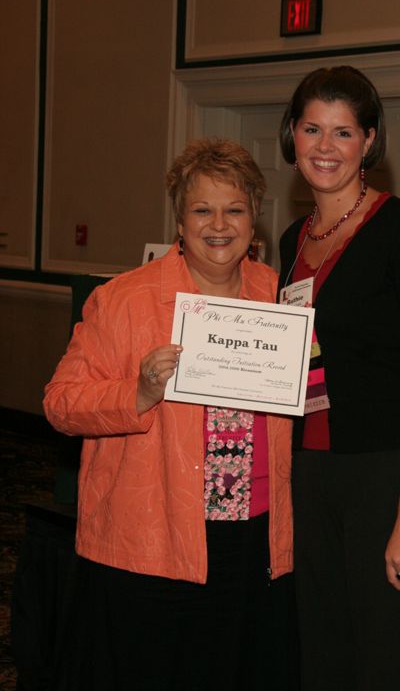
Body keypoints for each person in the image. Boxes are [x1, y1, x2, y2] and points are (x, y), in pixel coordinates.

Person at [44, 138, 297, 691]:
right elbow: (60, 403)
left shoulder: (280, 297)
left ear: (255, 217)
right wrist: (136, 392)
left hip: (253, 538)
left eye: (234, 210)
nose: (219, 225)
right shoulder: (124, 300)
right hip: (151, 539)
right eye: (202, 210)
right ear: (180, 221)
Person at [278, 66, 400, 691]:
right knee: (324, 662)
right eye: (312, 128)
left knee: (388, 671)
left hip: (392, 478)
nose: (325, 147)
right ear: (292, 136)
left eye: (343, 132)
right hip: (314, 478)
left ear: (369, 142)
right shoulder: (290, 240)